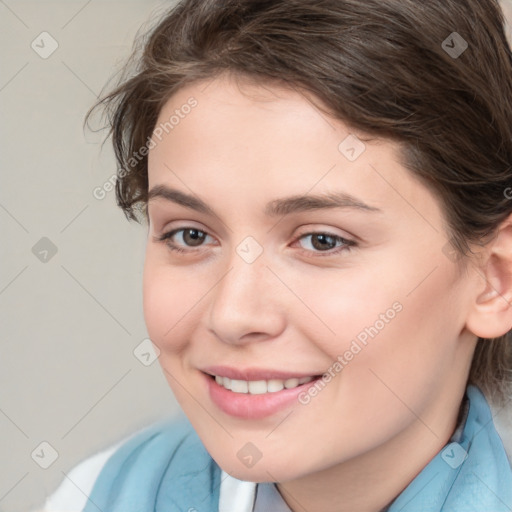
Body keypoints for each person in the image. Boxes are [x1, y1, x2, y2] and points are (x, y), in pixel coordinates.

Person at [40, 0, 512, 510]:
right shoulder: (98, 494)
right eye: (191, 235)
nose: (233, 315)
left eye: (322, 241)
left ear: (494, 280)